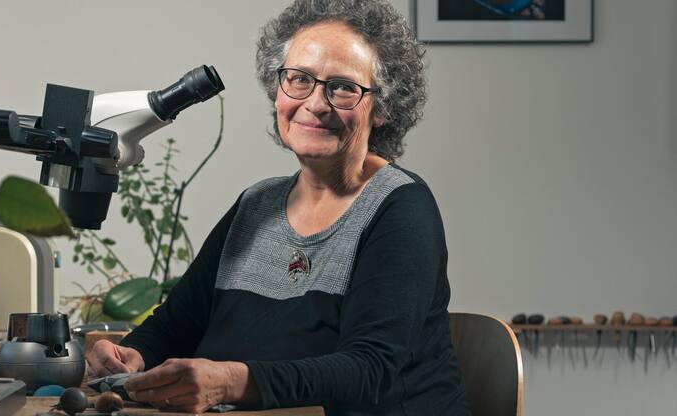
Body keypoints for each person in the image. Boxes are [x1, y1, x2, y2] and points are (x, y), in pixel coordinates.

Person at [87, 1, 470, 414]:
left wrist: (231, 382)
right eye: (299, 79)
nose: (316, 103)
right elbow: (176, 325)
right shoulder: (255, 205)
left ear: (383, 107)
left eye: (343, 87)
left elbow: (369, 371)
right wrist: (134, 355)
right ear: (278, 89)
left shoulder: (400, 208)